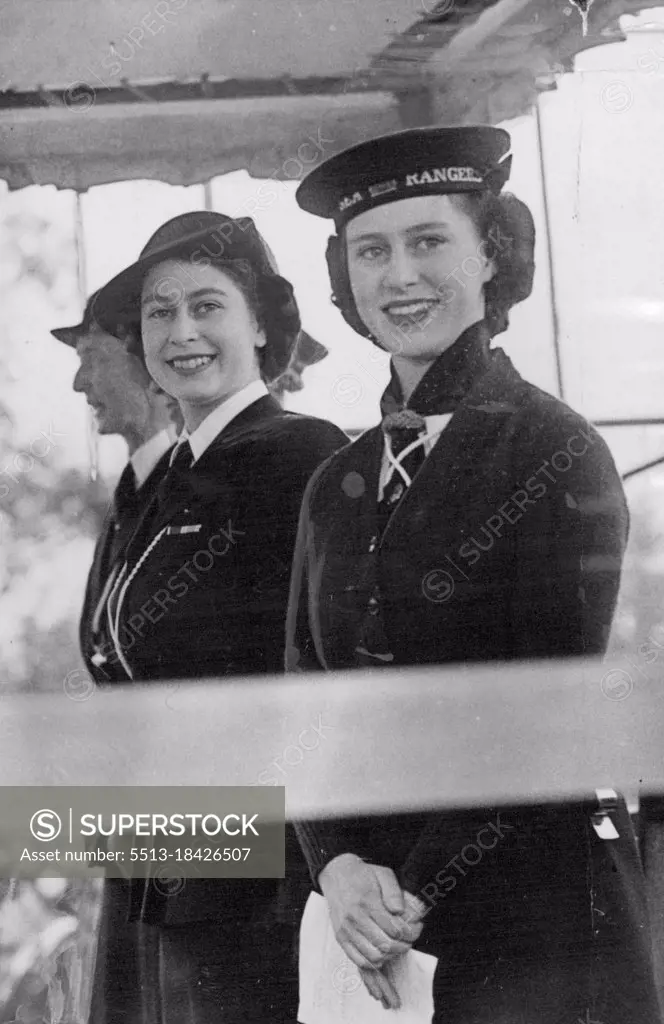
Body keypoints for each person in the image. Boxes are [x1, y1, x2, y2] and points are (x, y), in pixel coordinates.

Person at [286, 127, 661, 1023]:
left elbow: (539, 709)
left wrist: (404, 899)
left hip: (530, 925)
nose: (399, 277)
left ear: (491, 256)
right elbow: (302, 697)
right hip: (367, 929)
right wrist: (334, 867)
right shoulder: (335, 481)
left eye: (429, 243)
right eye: (372, 252)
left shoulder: (555, 448)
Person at [91, 210, 348, 1023]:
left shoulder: (299, 454)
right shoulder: (171, 477)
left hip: (259, 866)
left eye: (207, 307)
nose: (181, 332)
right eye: (159, 313)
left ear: (263, 328)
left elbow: (322, 675)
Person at [52, 294, 180, 685]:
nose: (79, 382)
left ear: (151, 366)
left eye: (94, 358)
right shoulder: (130, 493)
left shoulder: (192, 487)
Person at [269, 330, 329, 401]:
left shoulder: (279, 363)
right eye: (290, 379)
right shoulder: (310, 356)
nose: (285, 381)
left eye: (284, 385)